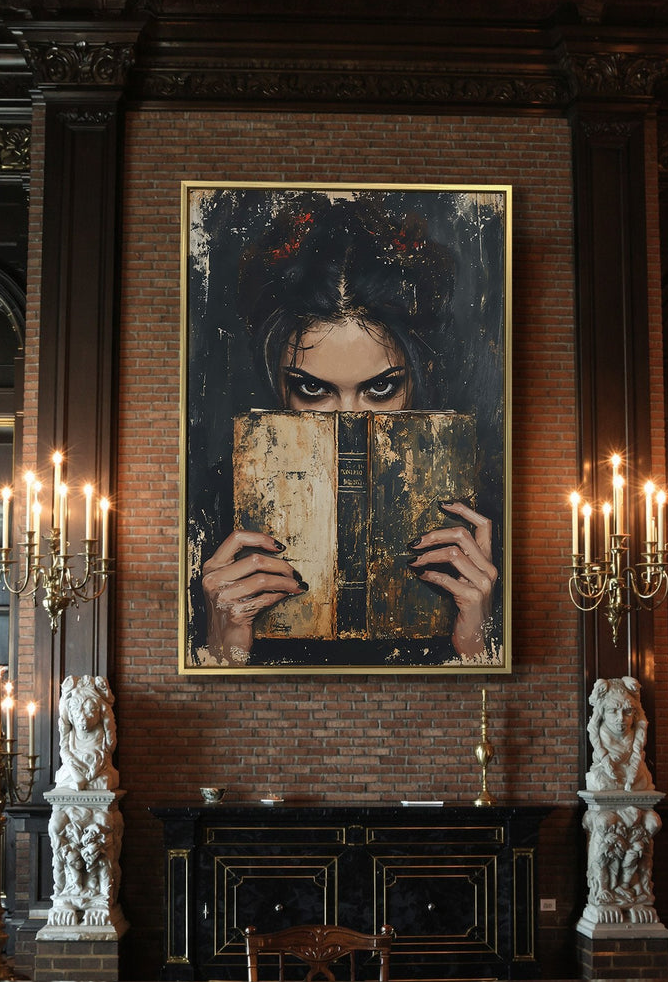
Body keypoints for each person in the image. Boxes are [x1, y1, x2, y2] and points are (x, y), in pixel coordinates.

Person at [187, 191, 503, 668]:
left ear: (421, 375)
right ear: (276, 381)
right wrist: (222, 649)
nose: (348, 419)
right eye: (313, 390)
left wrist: (479, 645)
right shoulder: (209, 510)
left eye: (381, 389)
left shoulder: (485, 513)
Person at [585, 676, 654, 792]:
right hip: (604, 771)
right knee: (601, 781)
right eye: (613, 711)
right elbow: (592, 728)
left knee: (642, 781)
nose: (621, 718)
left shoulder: (635, 734)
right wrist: (604, 757)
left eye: (628, 711)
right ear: (603, 714)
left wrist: (634, 767)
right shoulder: (601, 733)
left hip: (632, 770)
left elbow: (642, 725)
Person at [54, 675, 118, 791]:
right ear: (71, 715)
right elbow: (63, 747)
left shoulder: (104, 714)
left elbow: (110, 746)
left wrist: (92, 772)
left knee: (104, 780)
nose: (83, 718)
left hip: (98, 761)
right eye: (77, 713)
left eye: (90, 712)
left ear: (99, 713)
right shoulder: (68, 714)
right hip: (73, 762)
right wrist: (73, 766)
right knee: (63, 778)